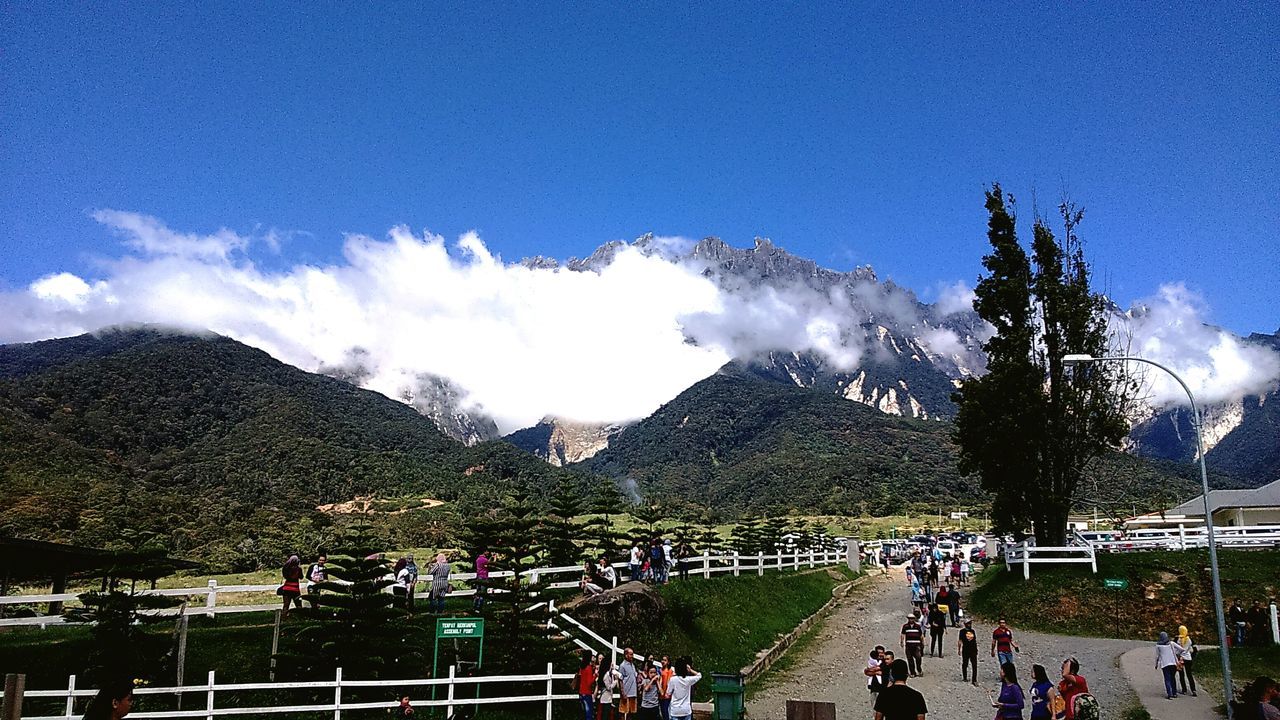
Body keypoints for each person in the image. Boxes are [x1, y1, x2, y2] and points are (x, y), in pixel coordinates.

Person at [1154, 631, 1184, 699]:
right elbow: (1182, 649)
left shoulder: (1158, 646)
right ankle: (1174, 693)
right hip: (1173, 663)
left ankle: (1169, 694)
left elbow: (1157, 656)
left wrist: (1156, 664)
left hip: (1165, 664)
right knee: (1172, 678)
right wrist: (1177, 653)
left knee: (1167, 679)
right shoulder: (1171, 643)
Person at [901, 612, 925, 677]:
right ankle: (912, 672)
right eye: (909, 618)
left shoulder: (917, 626)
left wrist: (922, 642)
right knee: (910, 659)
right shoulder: (905, 626)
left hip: (917, 645)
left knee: (918, 658)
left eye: (912, 618)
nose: (911, 620)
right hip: (908, 645)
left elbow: (921, 635)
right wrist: (902, 642)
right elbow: (903, 634)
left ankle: (919, 669)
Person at [574, 651, 597, 720]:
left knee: (582, 713)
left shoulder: (582, 667)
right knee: (589, 714)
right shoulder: (588, 667)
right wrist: (595, 675)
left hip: (581, 692)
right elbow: (589, 682)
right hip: (587, 692)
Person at [597, 655, 620, 720]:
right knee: (605, 715)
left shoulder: (607, 674)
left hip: (607, 698)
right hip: (605, 699)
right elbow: (609, 687)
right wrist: (616, 681)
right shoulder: (606, 675)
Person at [1176, 624, 1197, 697]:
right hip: (1188, 658)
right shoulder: (1189, 639)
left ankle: (1184, 690)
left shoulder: (1177, 639)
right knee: (1189, 674)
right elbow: (1195, 649)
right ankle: (1193, 689)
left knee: (1181, 675)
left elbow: (1175, 649)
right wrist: (1192, 656)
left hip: (1181, 659)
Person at [618, 648, 638, 720]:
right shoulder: (622, 666)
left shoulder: (633, 665)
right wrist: (622, 693)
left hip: (633, 692)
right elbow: (620, 680)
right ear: (626, 655)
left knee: (631, 712)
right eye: (631, 654)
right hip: (626, 692)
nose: (632, 656)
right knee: (623, 712)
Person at [957, 619, 979, 686]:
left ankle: (974, 679)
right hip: (966, 650)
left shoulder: (973, 631)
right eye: (968, 623)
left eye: (970, 623)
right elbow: (960, 641)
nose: (969, 624)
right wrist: (959, 649)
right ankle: (965, 677)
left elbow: (974, 640)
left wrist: (976, 649)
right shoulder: (962, 631)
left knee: (974, 665)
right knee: (965, 664)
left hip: (973, 650)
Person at [658, 656, 674, 720]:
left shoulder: (669, 671)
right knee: (662, 711)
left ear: (668, 662)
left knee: (665, 711)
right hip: (660, 694)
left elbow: (669, 683)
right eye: (662, 660)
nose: (663, 661)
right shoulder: (659, 670)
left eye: (665, 660)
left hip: (666, 695)